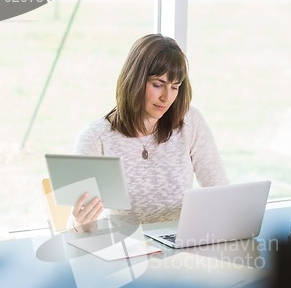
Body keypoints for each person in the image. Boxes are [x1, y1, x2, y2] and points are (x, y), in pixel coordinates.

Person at [71, 33, 229, 231]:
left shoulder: (189, 121)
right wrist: (81, 223)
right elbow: (76, 228)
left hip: (181, 242)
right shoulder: (96, 137)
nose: (166, 97)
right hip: (130, 249)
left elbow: (220, 191)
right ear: (135, 80)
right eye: (157, 84)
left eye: (175, 87)